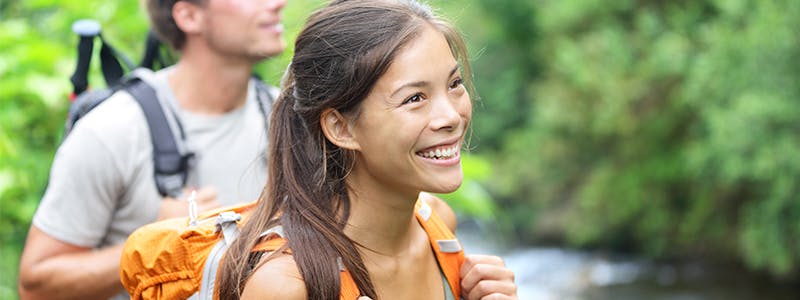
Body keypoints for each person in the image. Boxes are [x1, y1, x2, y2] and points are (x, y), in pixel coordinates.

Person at [217, 1, 518, 299]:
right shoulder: (287, 285)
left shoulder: (437, 224)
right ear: (341, 128)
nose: (451, 116)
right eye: (415, 98)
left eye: (454, 83)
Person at [17, 0, 287, 299]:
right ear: (188, 16)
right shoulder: (114, 130)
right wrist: (159, 242)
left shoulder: (290, 118)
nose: (277, 3)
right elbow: (36, 285)